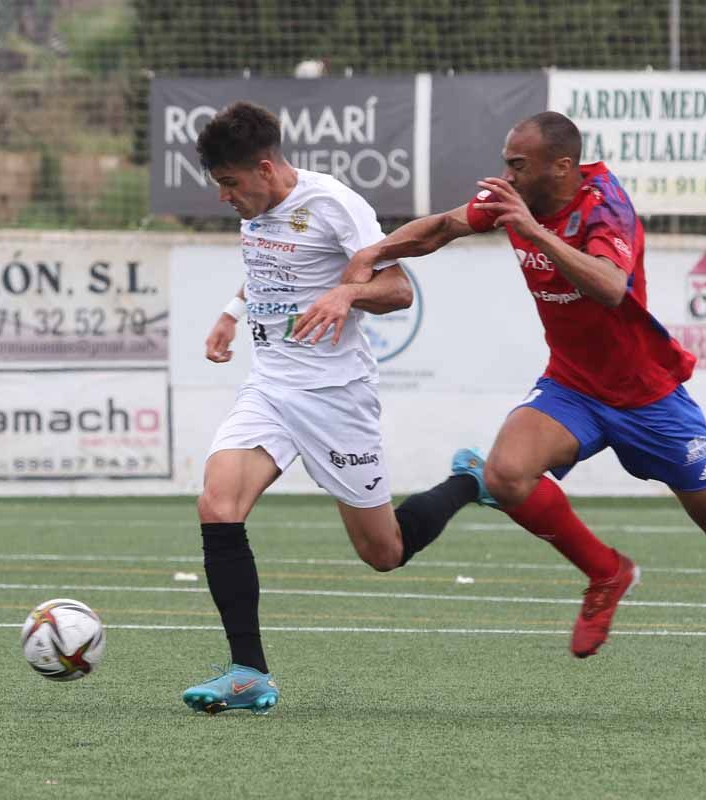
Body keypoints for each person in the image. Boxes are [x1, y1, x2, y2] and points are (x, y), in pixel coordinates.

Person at [303, 110, 706, 725]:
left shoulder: (604, 206)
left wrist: (533, 232)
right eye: (507, 161)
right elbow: (441, 227)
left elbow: (611, 287)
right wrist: (372, 254)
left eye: (520, 164)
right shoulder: (516, 199)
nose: (507, 173)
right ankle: (606, 571)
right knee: (506, 474)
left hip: (649, 397)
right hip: (572, 387)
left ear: (561, 167)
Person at [181, 102, 482, 715]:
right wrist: (231, 314)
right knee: (217, 503)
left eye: (230, 184)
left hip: (335, 396)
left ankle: (468, 481)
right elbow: (265, 268)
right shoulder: (256, 208)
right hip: (269, 386)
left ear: (266, 169)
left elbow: (396, 289)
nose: (224, 198)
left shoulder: (333, 205)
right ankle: (248, 673)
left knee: (383, 552)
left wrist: (348, 291)